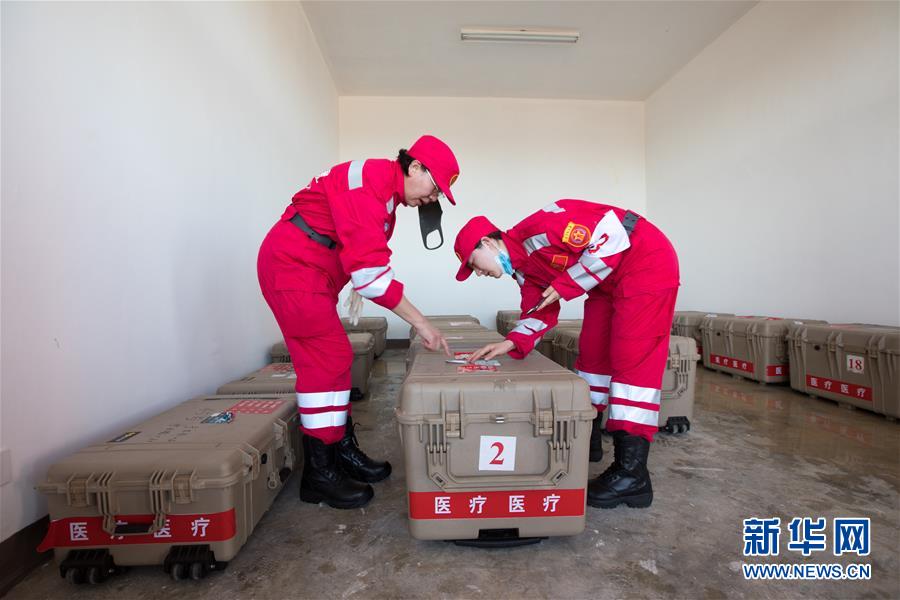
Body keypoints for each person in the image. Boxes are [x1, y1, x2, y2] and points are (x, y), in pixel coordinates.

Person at [258, 135, 458, 509]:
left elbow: (364, 258)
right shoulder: (367, 186)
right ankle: (319, 474)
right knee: (326, 360)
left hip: (313, 271)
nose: (433, 199)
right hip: (293, 269)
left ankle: (338, 452)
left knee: (334, 361)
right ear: (414, 166)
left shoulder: (384, 193)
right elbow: (373, 278)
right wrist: (424, 325)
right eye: (435, 188)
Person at [453, 200, 679, 509]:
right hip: (606, 284)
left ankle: (632, 474)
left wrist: (566, 284)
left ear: (489, 242)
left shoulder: (542, 228)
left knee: (632, 360)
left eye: (474, 263)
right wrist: (509, 342)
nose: (478, 272)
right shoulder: (524, 271)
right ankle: (589, 441)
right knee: (593, 356)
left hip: (645, 262)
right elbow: (539, 313)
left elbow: (613, 234)